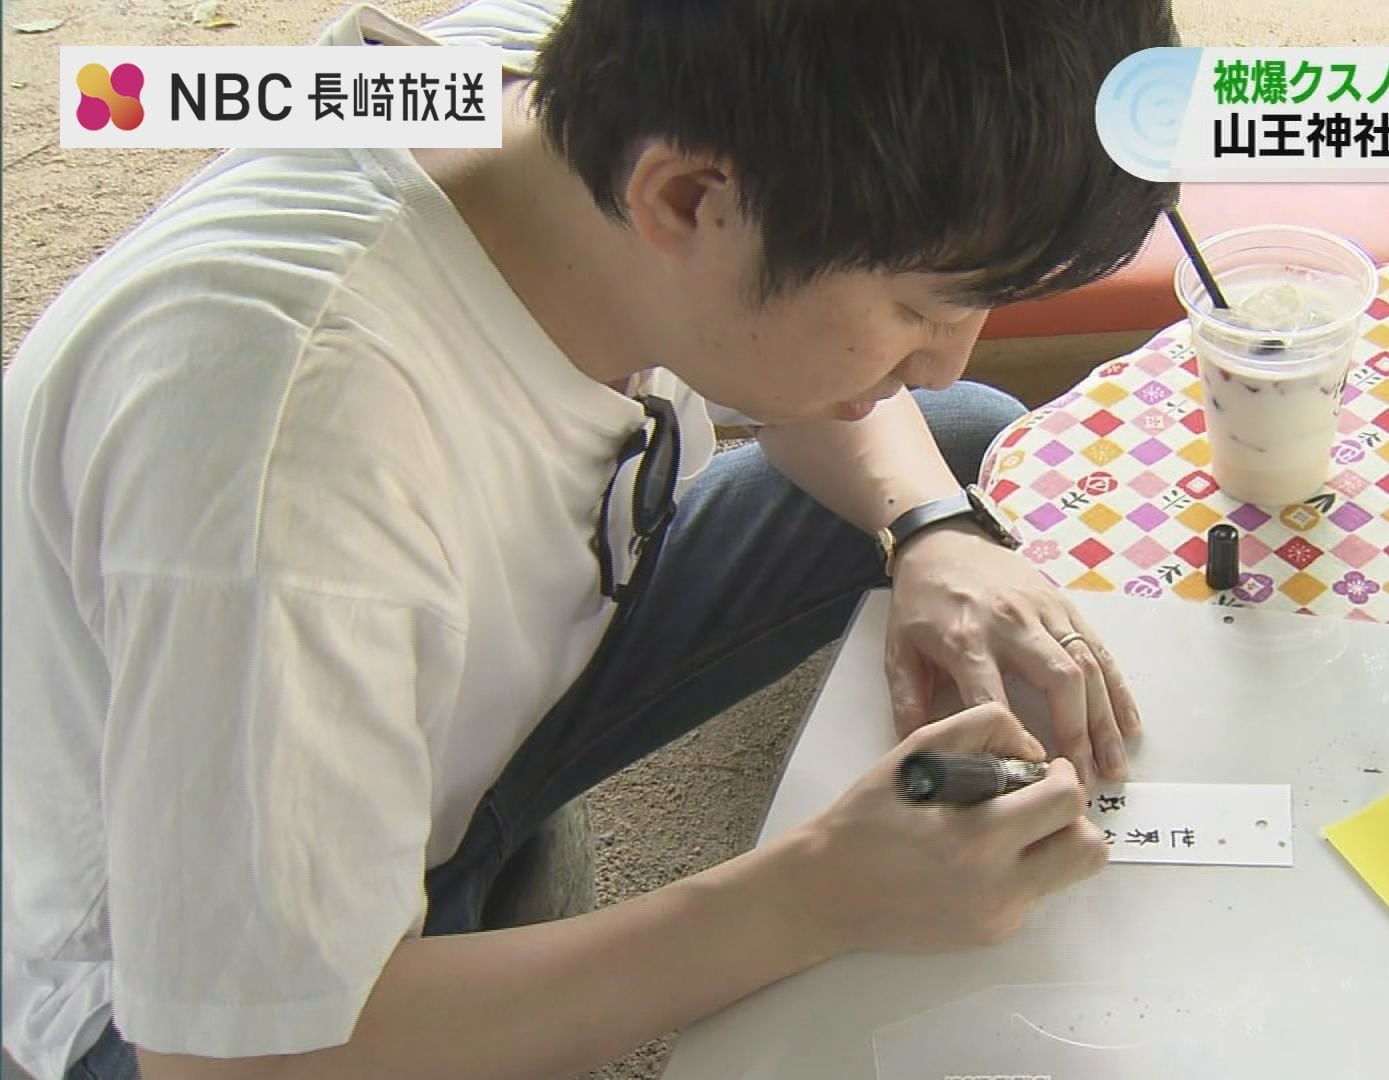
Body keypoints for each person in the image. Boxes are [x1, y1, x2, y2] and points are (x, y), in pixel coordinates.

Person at [0, 0, 1179, 1077]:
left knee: (950, 446)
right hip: (144, 1003)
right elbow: (241, 1063)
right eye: (919, 306)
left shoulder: (568, 91)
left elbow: (822, 375)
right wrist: (813, 894)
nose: (945, 355)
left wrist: (932, 530)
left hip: (456, 691)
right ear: (687, 202)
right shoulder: (298, 466)